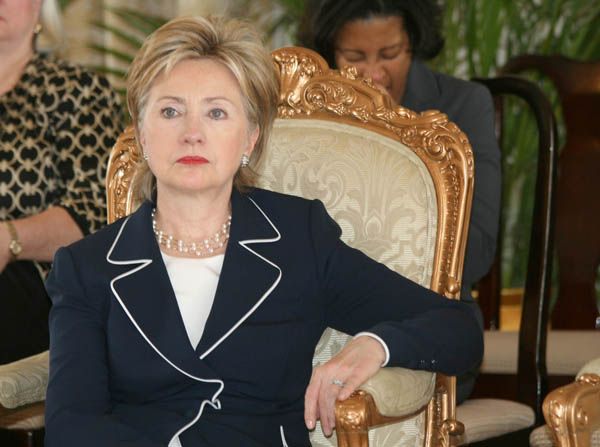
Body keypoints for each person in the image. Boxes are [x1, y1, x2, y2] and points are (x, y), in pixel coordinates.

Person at [44, 15, 483, 447]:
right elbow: (72, 426)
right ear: (141, 133)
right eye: (170, 111)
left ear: (250, 138)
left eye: (216, 112)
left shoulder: (298, 239)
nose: (192, 134)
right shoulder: (86, 268)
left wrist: (376, 344)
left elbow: (457, 328)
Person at [298, 0, 502, 403]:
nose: (374, 73)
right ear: (329, 51)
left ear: (414, 43)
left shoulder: (464, 106)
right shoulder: (307, 114)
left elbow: (476, 253)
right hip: (315, 328)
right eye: (354, 57)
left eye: (390, 55)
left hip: (430, 334)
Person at [0, 0, 122, 364]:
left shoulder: (77, 90)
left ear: (39, 5)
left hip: (37, 286)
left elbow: (97, 212)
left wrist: (9, 239)